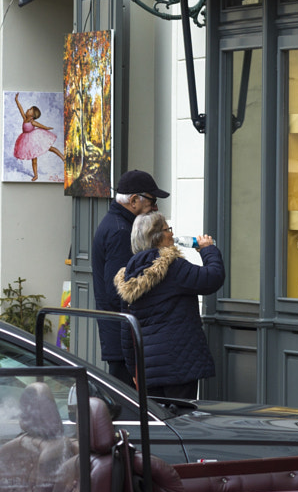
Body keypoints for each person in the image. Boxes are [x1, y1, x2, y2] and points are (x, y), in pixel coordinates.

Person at [111, 210, 224, 401]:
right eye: (167, 229)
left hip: (148, 369)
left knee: (157, 423)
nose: (171, 233)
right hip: (179, 364)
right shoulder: (173, 267)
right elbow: (212, 278)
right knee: (180, 420)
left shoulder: (128, 275)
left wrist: (134, 369)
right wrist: (208, 249)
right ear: (157, 238)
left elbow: (127, 330)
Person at [93, 169, 168, 382]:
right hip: (123, 338)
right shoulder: (121, 230)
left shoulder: (118, 224)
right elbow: (119, 290)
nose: (155, 207)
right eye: (152, 201)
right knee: (129, 410)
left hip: (121, 335)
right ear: (134, 200)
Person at [9, 93, 64, 179]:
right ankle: (36, 175)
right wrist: (16, 100)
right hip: (27, 140)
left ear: (32, 115)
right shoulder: (24, 118)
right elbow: (20, 108)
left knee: (50, 148)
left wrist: (47, 128)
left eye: (30, 109)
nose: (27, 109)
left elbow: (40, 125)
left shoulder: (32, 121)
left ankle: (63, 157)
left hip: (35, 138)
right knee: (34, 160)